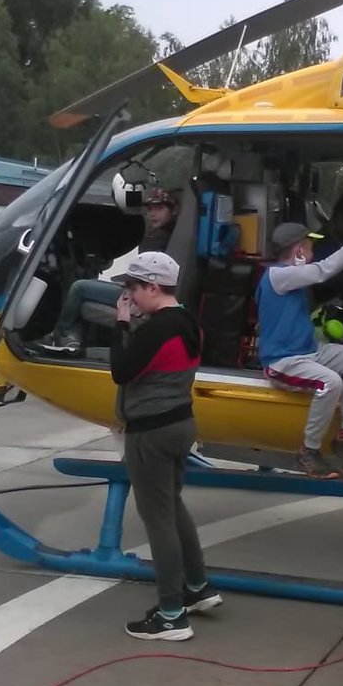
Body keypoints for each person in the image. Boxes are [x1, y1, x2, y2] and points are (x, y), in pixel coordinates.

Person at [110, 252, 221, 641]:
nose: (129, 296)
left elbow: (121, 371)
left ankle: (171, 614)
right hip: (180, 423)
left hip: (151, 433)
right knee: (172, 506)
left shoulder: (156, 330)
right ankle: (198, 587)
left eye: (133, 288)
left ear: (153, 287)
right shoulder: (188, 321)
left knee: (158, 520)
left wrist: (121, 324)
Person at [256, 213, 343, 479]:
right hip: (283, 362)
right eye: (310, 245)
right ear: (299, 250)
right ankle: (309, 450)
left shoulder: (294, 278)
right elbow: (325, 269)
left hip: (309, 352)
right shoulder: (278, 275)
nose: (314, 250)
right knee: (330, 382)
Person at [42, 187, 178, 356]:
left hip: (137, 296)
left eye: (159, 208)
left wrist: (130, 290)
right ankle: (72, 340)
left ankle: (58, 335)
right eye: (150, 209)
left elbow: (150, 280)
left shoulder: (159, 239)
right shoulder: (168, 235)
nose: (152, 214)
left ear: (172, 211)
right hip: (136, 290)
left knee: (79, 288)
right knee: (83, 293)